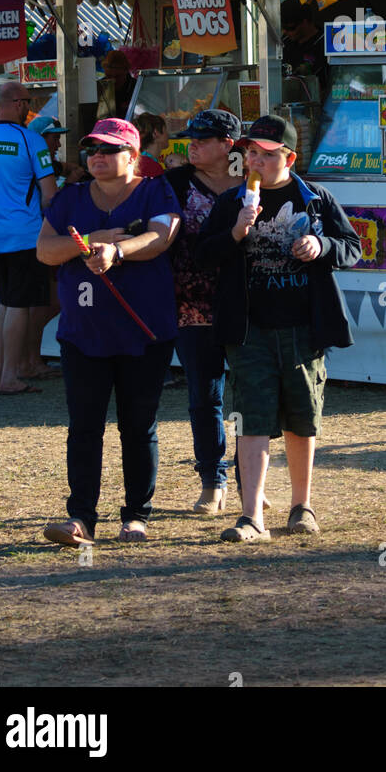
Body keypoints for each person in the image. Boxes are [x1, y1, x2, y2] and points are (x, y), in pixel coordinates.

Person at [197, 113, 361, 544]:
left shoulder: (316, 198)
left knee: (301, 419)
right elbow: (203, 255)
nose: (255, 161)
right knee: (252, 419)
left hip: (304, 327)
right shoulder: (232, 201)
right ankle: (252, 516)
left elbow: (353, 247)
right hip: (249, 328)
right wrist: (235, 232)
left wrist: (321, 245)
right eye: (251, 153)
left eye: (266, 155)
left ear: (289, 156)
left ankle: (301, 505)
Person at [37, 118, 181, 547]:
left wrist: (116, 250)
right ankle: (80, 517)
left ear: (133, 156)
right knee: (84, 426)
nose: (97, 157)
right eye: (92, 150)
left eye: (109, 149)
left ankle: (136, 516)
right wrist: (90, 241)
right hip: (83, 333)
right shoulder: (71, 198)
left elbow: (161, 236)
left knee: (139, 426)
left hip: (144, 331)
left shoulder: (156, 190)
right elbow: (45, 250)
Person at [165, 109, 243, 514]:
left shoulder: (254, 182)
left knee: (250, 398)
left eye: (202, 139)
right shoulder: (173, 183)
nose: (191, 144)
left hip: (246, 305)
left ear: (227, 145)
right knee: (204, 398)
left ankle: (251, 485)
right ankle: (212, 481)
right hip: (190, 306)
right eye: (189, 138)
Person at [0, 82, 58, 394]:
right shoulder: (31, 140)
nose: (29, 110)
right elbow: (50, 196)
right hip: (25, 235)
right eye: (29, 104)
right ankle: (8, 377)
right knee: (18, 306)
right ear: (18, 104)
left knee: (5, 303)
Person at [95, 50, 136, 123]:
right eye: (109, 76)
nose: (113, 80)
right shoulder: (99, 87)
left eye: (118, 76)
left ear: (126, 71)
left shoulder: (135, 87)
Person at [136, 113, 169, 177]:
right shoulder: (153, 168)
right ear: (156, 133)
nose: (168, 135)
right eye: (165, 130)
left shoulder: (138, 162)